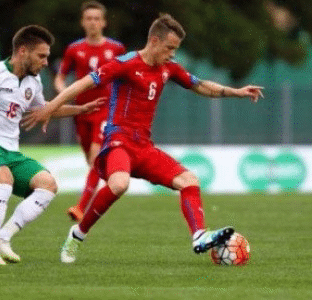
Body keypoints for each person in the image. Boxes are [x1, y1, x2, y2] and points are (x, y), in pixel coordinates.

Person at [22, 14, 264, 263]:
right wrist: (49, 108)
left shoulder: (169, 69)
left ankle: (199, 235)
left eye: (175, 49)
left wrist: (237, 92)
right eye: (170, 48)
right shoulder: (125, 63)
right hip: (119, 141)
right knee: (119, 184)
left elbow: (201, 85)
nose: (172, 54)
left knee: (190, 181)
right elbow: (83, 84)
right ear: (155, 41)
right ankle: (77, 234)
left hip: (144, 147)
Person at [0, 25, 102, 265]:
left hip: (10, 151)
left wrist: (79, 109)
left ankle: (4, 238)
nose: (46, 62)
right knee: (3, 178)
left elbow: (44, 109)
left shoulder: (33, 82)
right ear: (22, 52)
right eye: (41, 55)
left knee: (47, 185)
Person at [54, 1, 126, 222]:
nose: (93, 22)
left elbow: (124, 77)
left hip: (106, 109)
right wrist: (63, 93)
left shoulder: (116, 49)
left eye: (97, 18)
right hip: (81, 112)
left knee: (95, 157)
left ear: (103, 22)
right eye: (89, 18)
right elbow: (60, 77)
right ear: (83, 22)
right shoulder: (74, 49)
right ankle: (106, 178)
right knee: (92, 160)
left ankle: (80, 207)